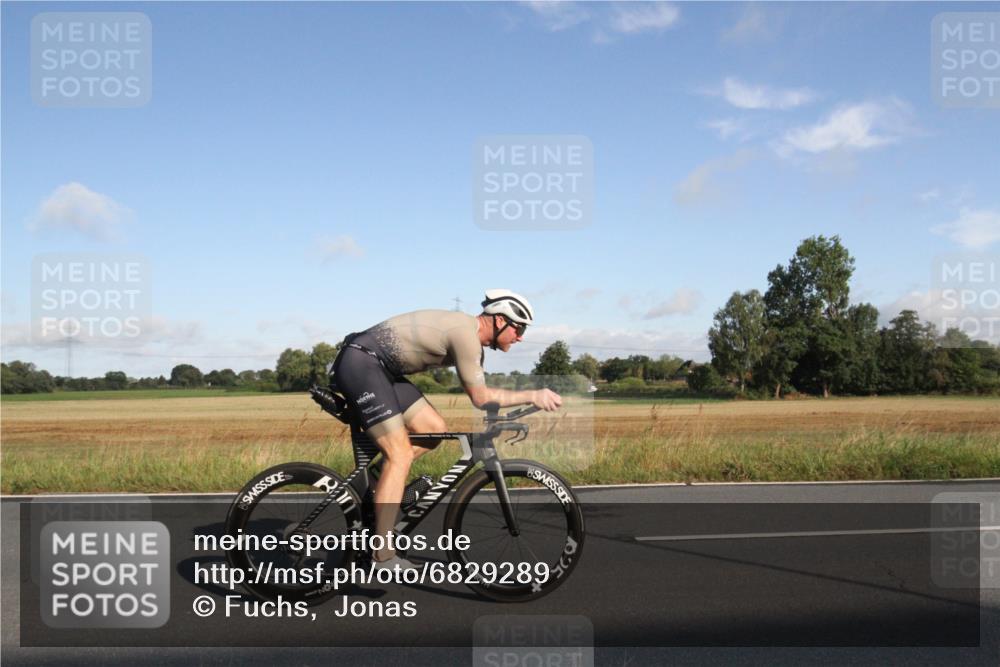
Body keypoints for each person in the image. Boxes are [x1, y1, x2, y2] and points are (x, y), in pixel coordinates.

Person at [329, 289, 562, 569]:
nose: (521, 336)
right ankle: (382, 555)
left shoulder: (472, 341)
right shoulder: (465, 335)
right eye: (519, 327)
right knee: (399, 454)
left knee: (433, 429)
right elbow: (481, 397)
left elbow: (485, 399)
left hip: (381, 370)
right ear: (500, 320)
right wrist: (533, 395)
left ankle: (379, 489)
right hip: (362, 363)